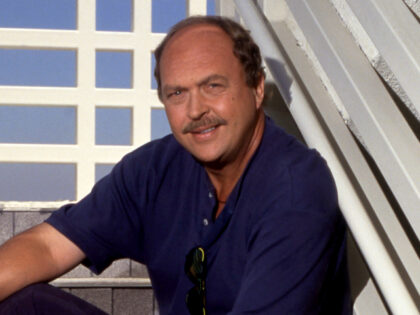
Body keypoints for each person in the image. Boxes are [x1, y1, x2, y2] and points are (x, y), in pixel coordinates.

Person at [0, 16, 351, 314]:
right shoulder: (155, 170)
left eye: (213, 85)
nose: (196, 110)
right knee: (25, 304)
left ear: (257, 88)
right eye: (177, 93)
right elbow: (47, 246)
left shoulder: (295, 189)